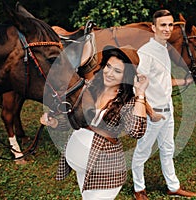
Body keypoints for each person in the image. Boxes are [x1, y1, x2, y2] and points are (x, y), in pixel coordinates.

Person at [45, 45, 149, 200]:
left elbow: (136, 132)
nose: (109, 73)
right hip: (82, 168)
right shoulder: (89, 88)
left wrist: (140, 94)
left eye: (117, 71)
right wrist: (53, 122)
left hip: (104, 170)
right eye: (108, 66)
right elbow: (75, 120)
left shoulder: (128, 102)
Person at [131, 9, 196, 199]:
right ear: (153, 28)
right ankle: (139, 189)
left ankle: (173, 186)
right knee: (142, 152)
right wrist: (150, 112)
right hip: (154, 114)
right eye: (163, 25)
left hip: (168, 110)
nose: (167, 29)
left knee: (168, 149)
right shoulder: (146, 53)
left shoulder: (164, 48)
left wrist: (183, 82)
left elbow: (160, 79)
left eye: (170, 25)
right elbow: (138, 85)